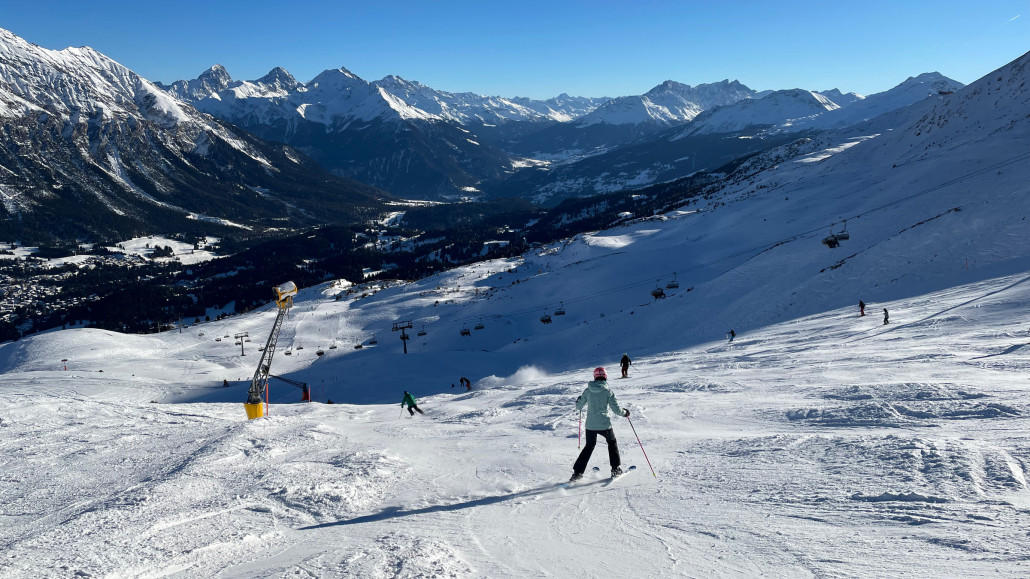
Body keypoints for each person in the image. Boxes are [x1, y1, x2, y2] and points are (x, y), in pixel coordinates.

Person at [570, 367, 629, 481]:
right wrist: (625, 413)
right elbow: (616, 410)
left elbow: (579, 407)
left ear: (595, 376)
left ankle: (577, 473)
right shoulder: (608, 392)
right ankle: (615, 469)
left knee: (589, 446)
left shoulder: (587, 391)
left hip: (590, 426)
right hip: (604, 424)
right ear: (605, 377)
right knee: (612, 443)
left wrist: (579, 401)